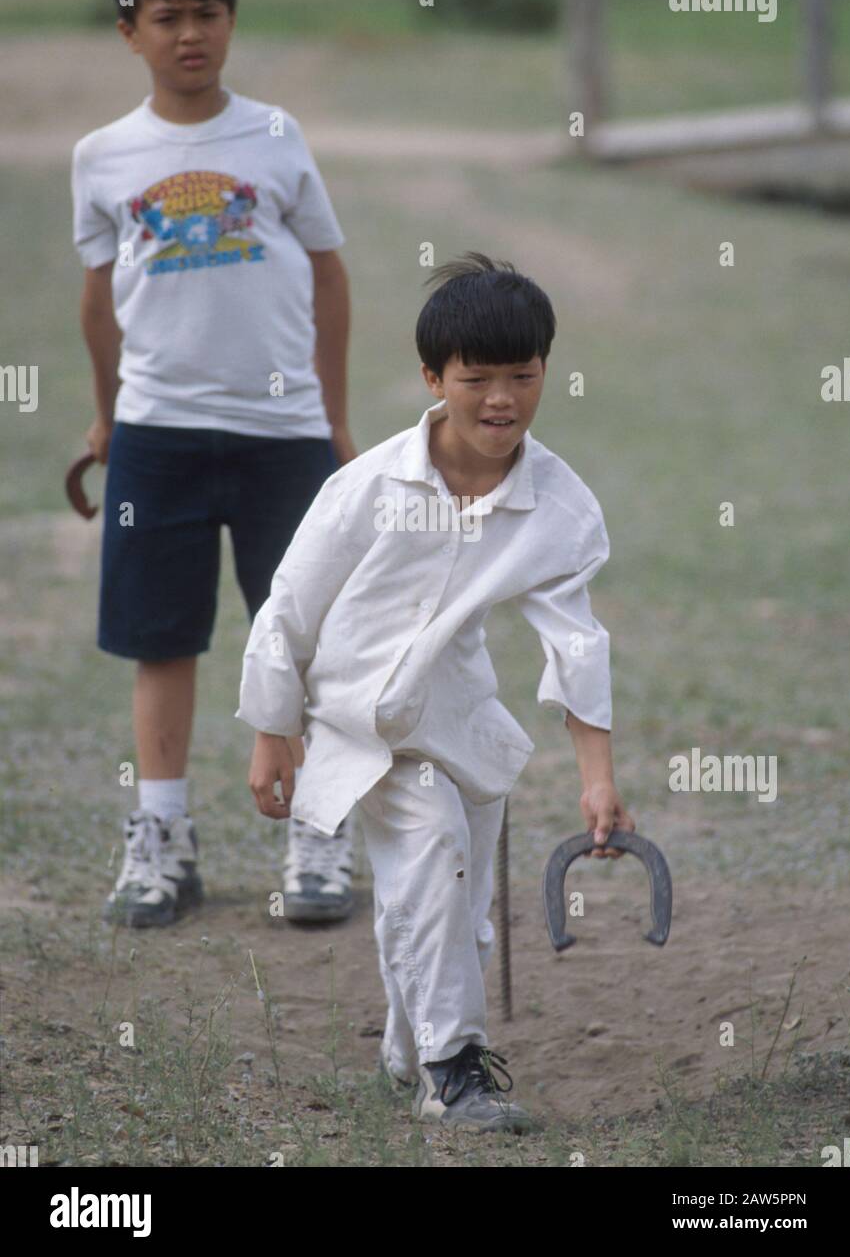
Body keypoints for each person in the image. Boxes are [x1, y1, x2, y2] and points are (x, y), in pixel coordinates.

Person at [236, 252, 636, 1132]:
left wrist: (597, 777)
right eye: (475, 379)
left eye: (522, 377)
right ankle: (453, 1073)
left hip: (458, 718)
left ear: (545, 372)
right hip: (361, 720)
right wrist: (273, 728)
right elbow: (289, 606)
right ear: (432, 378)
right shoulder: (368, 487)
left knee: (449, 898)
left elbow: (574, 642)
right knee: (434, 849)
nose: (500, 399)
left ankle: (403, 1046)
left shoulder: (559, 508)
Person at [71, 0, 358, 929]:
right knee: (162, 640)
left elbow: (327, 272)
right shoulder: (103, 156)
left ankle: (318, 835)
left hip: (283, 433)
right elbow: (98, 299)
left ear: (230, 21)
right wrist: (108, 420)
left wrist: (334, 418)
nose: (189, 33)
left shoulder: (274, 136)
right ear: (129, 30)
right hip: (158, 434)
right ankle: (161, 841)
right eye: (166, 16)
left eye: (207, 12)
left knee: (303, 636)